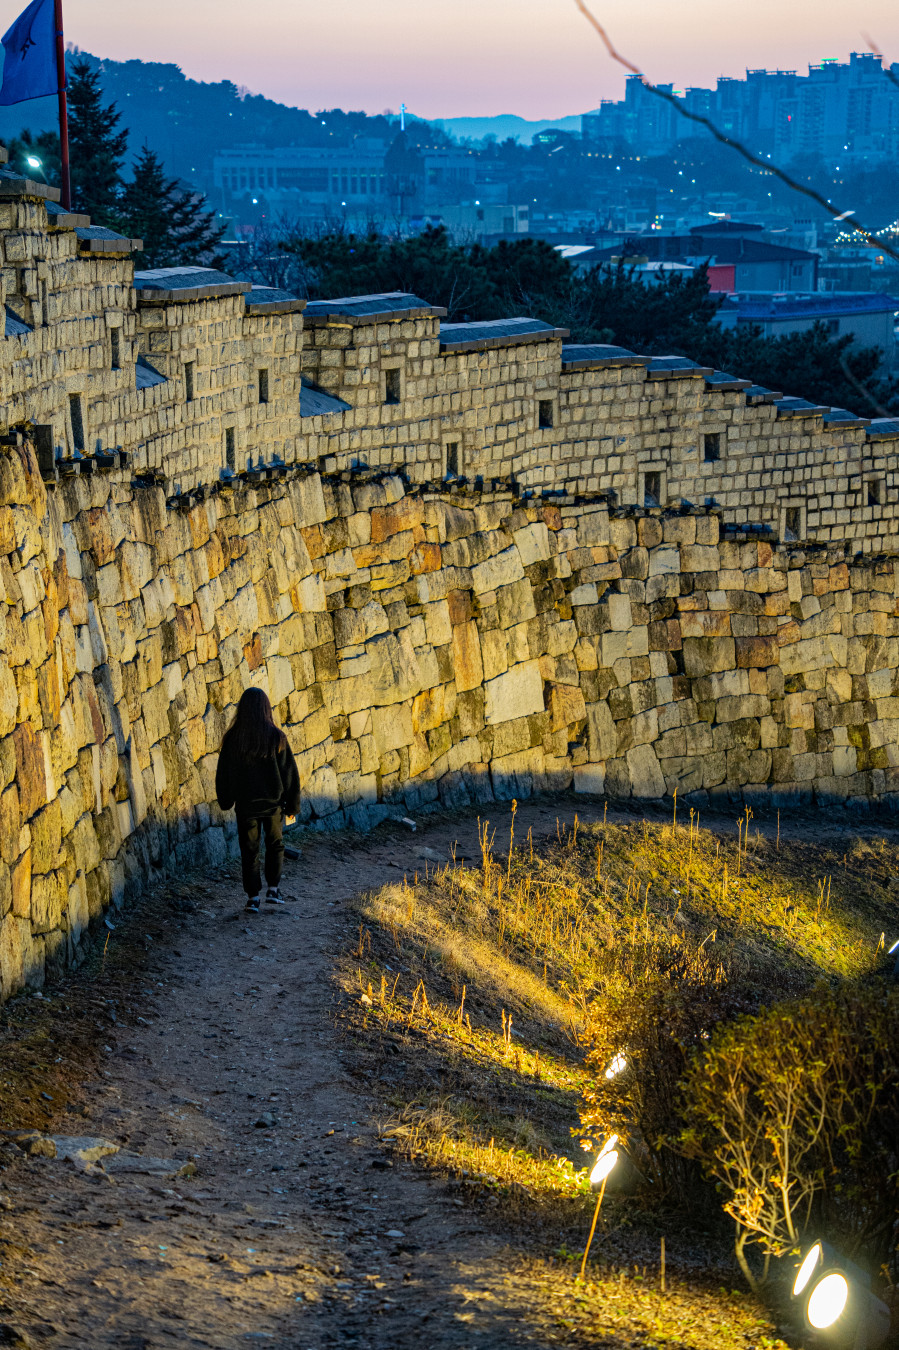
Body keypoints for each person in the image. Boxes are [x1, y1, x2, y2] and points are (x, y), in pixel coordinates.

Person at [215, 687, 301, 913]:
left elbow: (223, 772)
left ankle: (253, 897)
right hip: (273, 806)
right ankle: (273, 890)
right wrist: (292, 806)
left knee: (249, 850)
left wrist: (226, 800)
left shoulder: (234, 739)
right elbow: (289, 773)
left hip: (246, 806)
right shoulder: (276, 737)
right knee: (275, 845)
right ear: (266, 708)